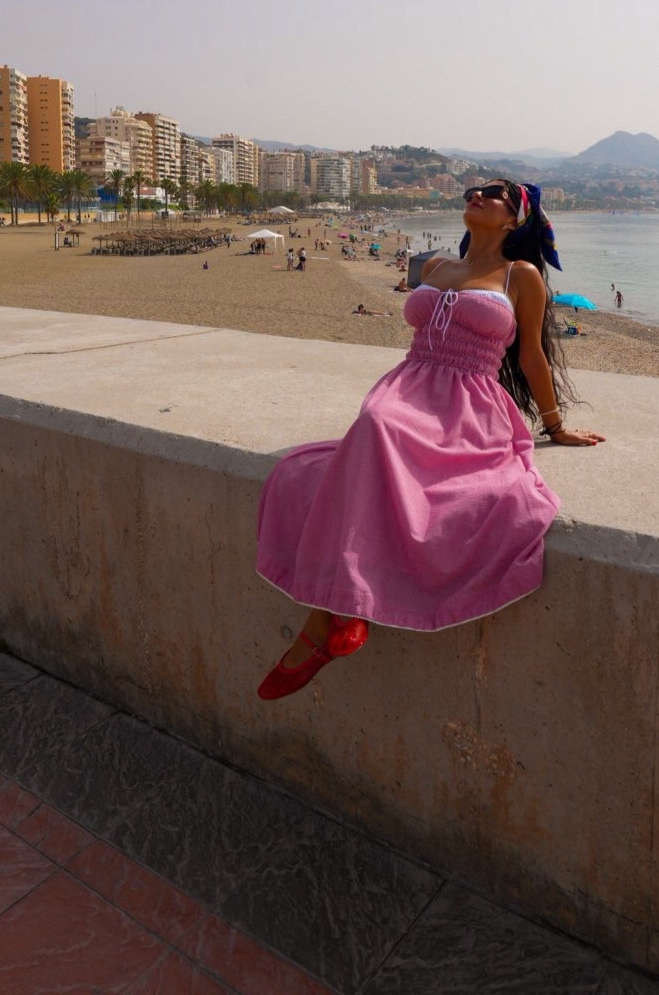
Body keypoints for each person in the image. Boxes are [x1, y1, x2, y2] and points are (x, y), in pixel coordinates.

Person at [256, 179, 603, 701]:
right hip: (409, 384)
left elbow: (531, 355)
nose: (477, 196)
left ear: (515, 219)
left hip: (469, 406)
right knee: (376, 424)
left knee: (379, 439)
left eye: (494, 194)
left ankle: (324, 622)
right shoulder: (437, 267)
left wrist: (555, 427)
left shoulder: (521, 275)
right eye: (473, 190)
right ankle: (343, 612)